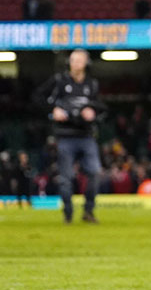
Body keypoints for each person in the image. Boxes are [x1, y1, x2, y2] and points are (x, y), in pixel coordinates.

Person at [32, 49, 106, 224]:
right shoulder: (59, 81)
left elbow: (101, 108)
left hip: (87, 135)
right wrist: (52, 111)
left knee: (95, 173)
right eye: (73, 60)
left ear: (86, 63)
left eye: (79, 61)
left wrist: (93, 112)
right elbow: (37, 97)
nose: (75, 64)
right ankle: (68, 213)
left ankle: (88, 210)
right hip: (65, 135)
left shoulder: (92, 84)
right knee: (66, 178)